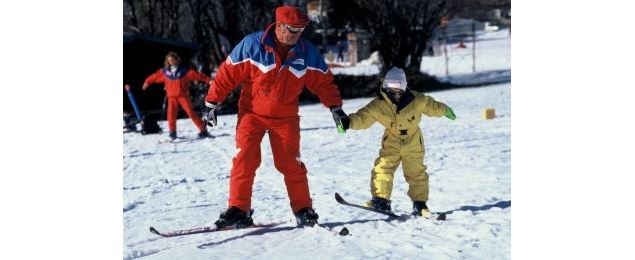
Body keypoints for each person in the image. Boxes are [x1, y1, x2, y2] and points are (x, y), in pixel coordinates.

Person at [203, 6, 347, 228]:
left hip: (286, 117)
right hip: (251, 114)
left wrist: (335, 108)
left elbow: (323, 81)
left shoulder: (306, 51)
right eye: (292, 29)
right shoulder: (253, 45)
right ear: (279, 26)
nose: (297, 35)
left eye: (301, 30)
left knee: (291, 163)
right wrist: (211, 103)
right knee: (245, 159)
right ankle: (239, 209)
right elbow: (227, 73)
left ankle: (303, 209)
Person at [340, 67, 456, 218]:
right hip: (392, 142)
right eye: (391, 86)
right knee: (383, 168)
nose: (395, 91)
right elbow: (363, 117)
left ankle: (420, 204)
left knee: (416, 172)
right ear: (385, 84)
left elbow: (431, 106)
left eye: (399, 86)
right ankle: (381, 200)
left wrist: (445, 110)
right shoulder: (378, 105)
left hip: (413, 141)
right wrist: (348, 122)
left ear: (405, 85)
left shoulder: (417, 100)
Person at [142, 52, 211, 140]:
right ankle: (172, 132)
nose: (171, 62)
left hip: (183, 96)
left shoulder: (184, 71)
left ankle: (203, 130)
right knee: (171, 115)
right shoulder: (165, 72)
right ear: (167, 61)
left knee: (191, 113)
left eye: (173, 60)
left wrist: (208, 80)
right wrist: (147, 82)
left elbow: (197, 75)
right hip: (171, 97)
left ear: (176, 60)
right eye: (169, 60)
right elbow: (155, 76)